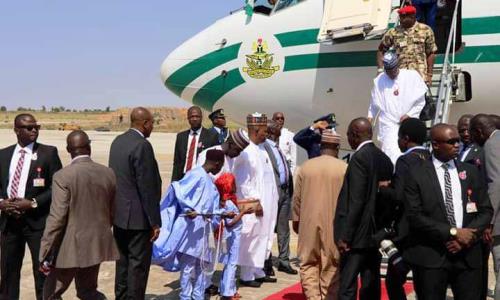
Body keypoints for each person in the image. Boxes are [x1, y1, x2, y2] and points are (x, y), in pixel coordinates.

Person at [404, 123, 492, 300]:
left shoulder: (471, 171)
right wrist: (453, 233)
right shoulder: (416, 173)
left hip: (467, 256)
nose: (457, 145)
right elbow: (414, 216)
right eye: (451, 142)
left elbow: (485, 210)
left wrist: (468, 236)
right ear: (436, 144)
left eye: (458, 141)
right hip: (432, 257)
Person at [39, 130, 119, 300]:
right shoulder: (108, 173)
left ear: (69, 150)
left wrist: (45, 248)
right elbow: (112, 211)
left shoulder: (62, 176)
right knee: (88, 291)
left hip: (69, 247)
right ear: (89, 147)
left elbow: (57, 217)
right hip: (96, 243)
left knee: (51, 293)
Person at [0, 113, 62, 300]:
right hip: (9, 224)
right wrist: (2, 204)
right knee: (8, 274)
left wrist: (33, 203)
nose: (34, 130)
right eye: (29, 127)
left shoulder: (48, 153)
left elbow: (56, 187)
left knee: (42, 273)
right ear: (17, 130)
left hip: (37, 225)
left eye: (36, 127)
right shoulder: (3, 155)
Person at [152, 149, 225, 300]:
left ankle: (198, 296)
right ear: (217, 163)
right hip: (191, 229)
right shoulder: (196, 174)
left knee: (202, 266)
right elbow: (178, 189)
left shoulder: (209, 181)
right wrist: (188, 208)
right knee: (188, 266)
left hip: (204, 230)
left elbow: (212, 205)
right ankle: (185, 296)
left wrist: (218, 215)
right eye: (221, 165)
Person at [334, 117, 393, 300]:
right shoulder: (383, 158)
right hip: (374, 234)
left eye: (349, 136)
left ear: (355, 135)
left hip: (357, 236)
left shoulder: (359, 158)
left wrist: (346, 235)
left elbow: (356, 200)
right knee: (370, 283)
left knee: (347, 285)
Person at [109, 107, 162, 300]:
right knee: (138, 268)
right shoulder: (142, 145)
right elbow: (146, 186)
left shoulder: (118, 141)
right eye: (152, 124)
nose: (152, 128)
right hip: (139, 219)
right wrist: (154, 222)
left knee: (122, 264)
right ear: (145, 123)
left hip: (120, 215)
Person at [377, 118, 430, 300]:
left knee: (393, 280)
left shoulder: (405, 161)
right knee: (424, 283)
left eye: (399, 138)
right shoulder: (432, 158)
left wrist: (384, 188)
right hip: (429, 228)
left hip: (407, 232)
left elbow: (399, 196)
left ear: (406, 139)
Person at [293, 130, 347, 300]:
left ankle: (313, 297)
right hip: (334, 224)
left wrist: (296, 221)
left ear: (321, 145)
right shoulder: (345, 169)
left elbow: (297, 199)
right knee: (331, 263)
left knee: (308, 263)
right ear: (337, 147)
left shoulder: (306, 167)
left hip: (307, 222)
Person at [196, 129, 250, 296]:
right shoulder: (210, 154)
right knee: (208, 252)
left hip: (224, 212)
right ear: (231, 144)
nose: (238, 154)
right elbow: (202, 183)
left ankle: (218, 286)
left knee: (220, 252)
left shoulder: (230, 158)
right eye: (238, 150)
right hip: (210, 212)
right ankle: (202, 286)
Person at [232, 113, 279, 287]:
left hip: (269, 202)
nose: (266, 134)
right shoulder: (246, 151)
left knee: (264, 236)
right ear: (255, 130)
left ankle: (258, 270)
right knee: (251, 238)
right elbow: (243, 182)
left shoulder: (261, 148)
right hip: (256, 204)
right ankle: (246, 275)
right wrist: (256, 201)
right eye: (264, 131)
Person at [368, 52, 427, 164]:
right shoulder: (380, 80)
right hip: (388, 123)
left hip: (408, 122)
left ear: (397, 65)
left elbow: (420, 101)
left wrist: (409, 114)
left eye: (393, 70)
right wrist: (370, 117)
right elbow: (374, 103)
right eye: (388, 71)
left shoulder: (411, 76)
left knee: (410, 152)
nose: (391, 73)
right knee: (389, 153)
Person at [470, 114, 500, 299]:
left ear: (479, 131)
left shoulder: (491, 145)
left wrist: (489, 219)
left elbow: (496, 183)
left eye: (473, 134)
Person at [214, 173, 254, 300]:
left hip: (232, 236)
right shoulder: (229, 203)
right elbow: (230, 222)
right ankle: (228, 292)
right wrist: (243, 213)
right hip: (233, 236)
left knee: (229, 263)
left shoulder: (225, 201)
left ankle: (227, 288)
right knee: (232, 263)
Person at [264, 121, 296, 275]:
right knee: (269, 228)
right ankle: (266, 261)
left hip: (285, 192)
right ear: (270, 131)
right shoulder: (265, 147)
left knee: (284, 229)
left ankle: (284, 260)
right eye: (276, 127)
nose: (280, 127)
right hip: (273, 193)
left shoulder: (278, 147)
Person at [377, 5, 438, 84]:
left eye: (405, 16)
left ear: (413, 16)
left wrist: (429, 75)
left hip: (420, 76)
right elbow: (381, 50)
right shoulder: (393, 32)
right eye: (401, 16)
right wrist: (380, 70)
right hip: (401, 77)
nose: (402, 19)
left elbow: (431, 53)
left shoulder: (425, 30)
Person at [172, 106, 219, 182]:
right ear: (188, 118)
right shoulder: (181, 137)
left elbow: (215, 161)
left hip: (202, 178)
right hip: (183, 178)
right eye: (192, 116)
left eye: (197, 116)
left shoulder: (211, 136)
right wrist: (174, 181)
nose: (194, 119)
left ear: (201, 118)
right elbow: (177, 162)